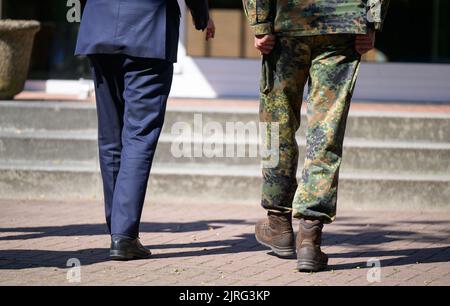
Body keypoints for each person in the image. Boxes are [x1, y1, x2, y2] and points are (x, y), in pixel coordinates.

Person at [243, 0, 390, 272]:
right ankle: (309, 237)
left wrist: (260, 23)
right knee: (326, 130)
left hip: (287, 23)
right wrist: (371, 21)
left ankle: (279, 222)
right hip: (342, 25)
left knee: (278, 126)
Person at [75, 0, 215, 261]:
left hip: (100, 26)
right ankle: (123, 235)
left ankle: (118, 231)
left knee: (111, 136)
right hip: (148, 30)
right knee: (139, 135)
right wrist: (201, 15)